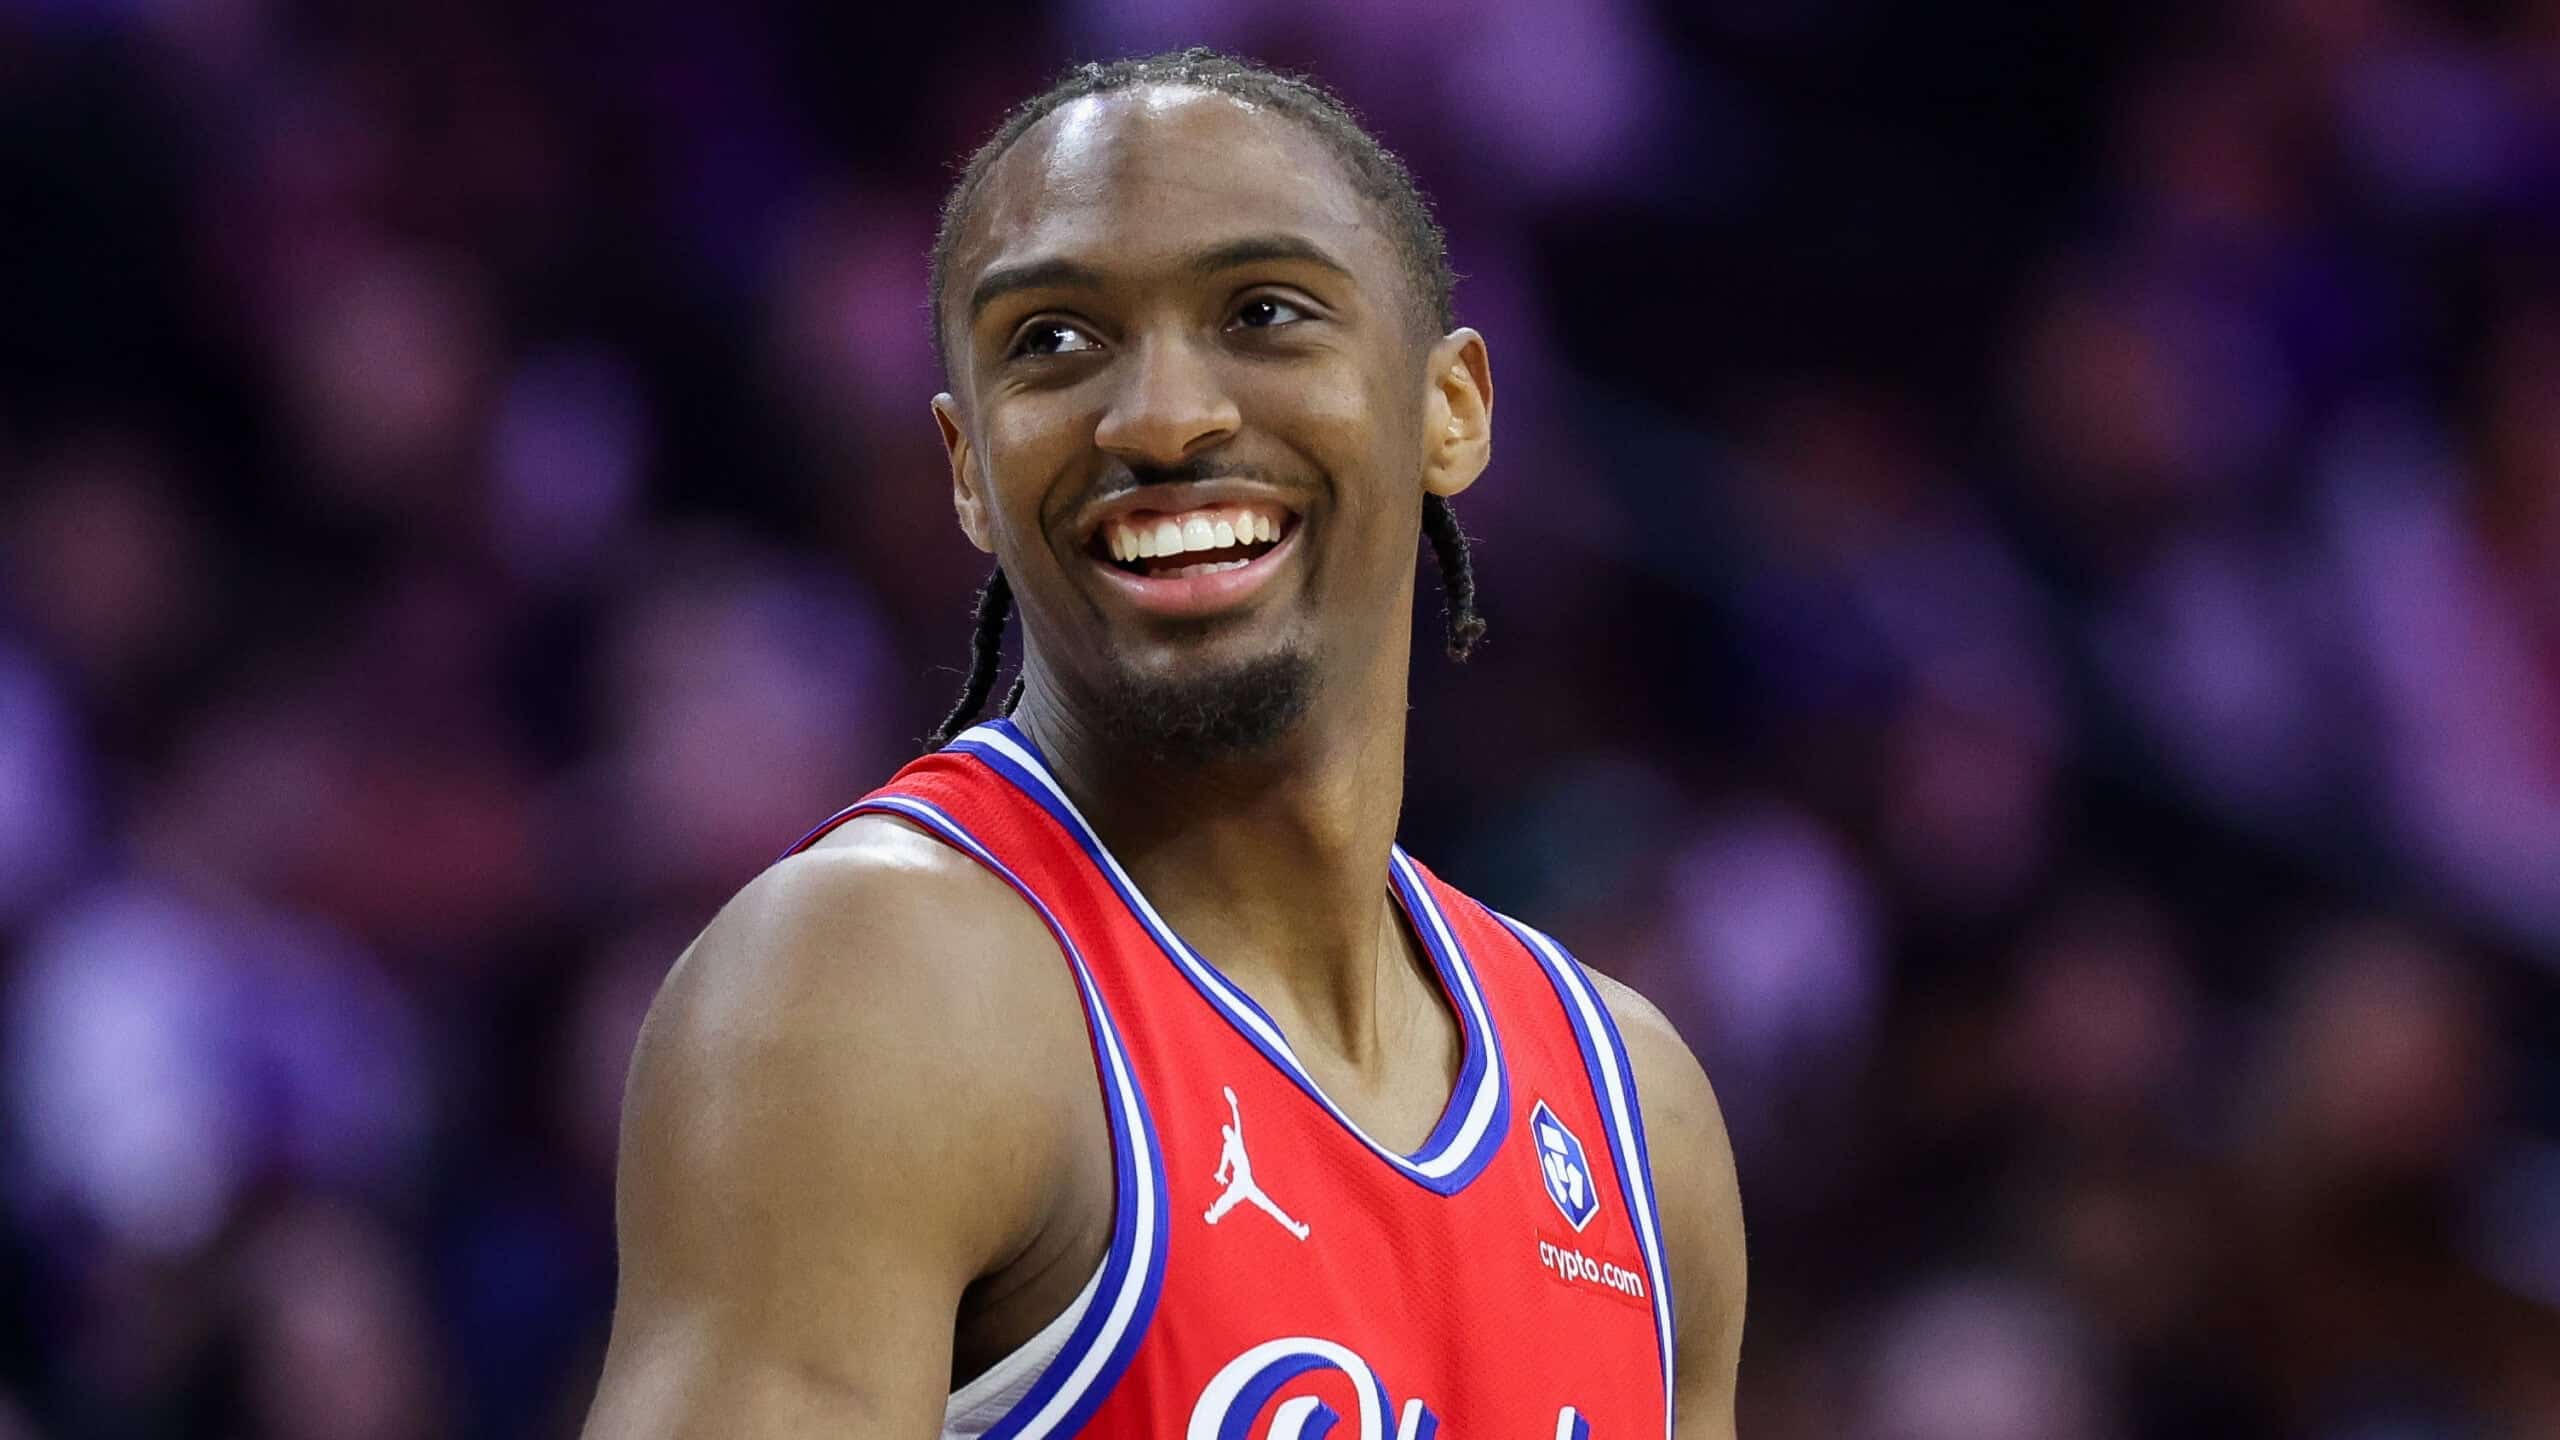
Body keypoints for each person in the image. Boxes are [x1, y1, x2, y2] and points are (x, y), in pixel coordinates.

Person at [581, 48, 1745, 1440]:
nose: (1163, 417)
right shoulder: (874, 985)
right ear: (967, 468)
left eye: (1264, 313)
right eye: (1053, 342)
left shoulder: (1637, 1119)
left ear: (1452, 411)